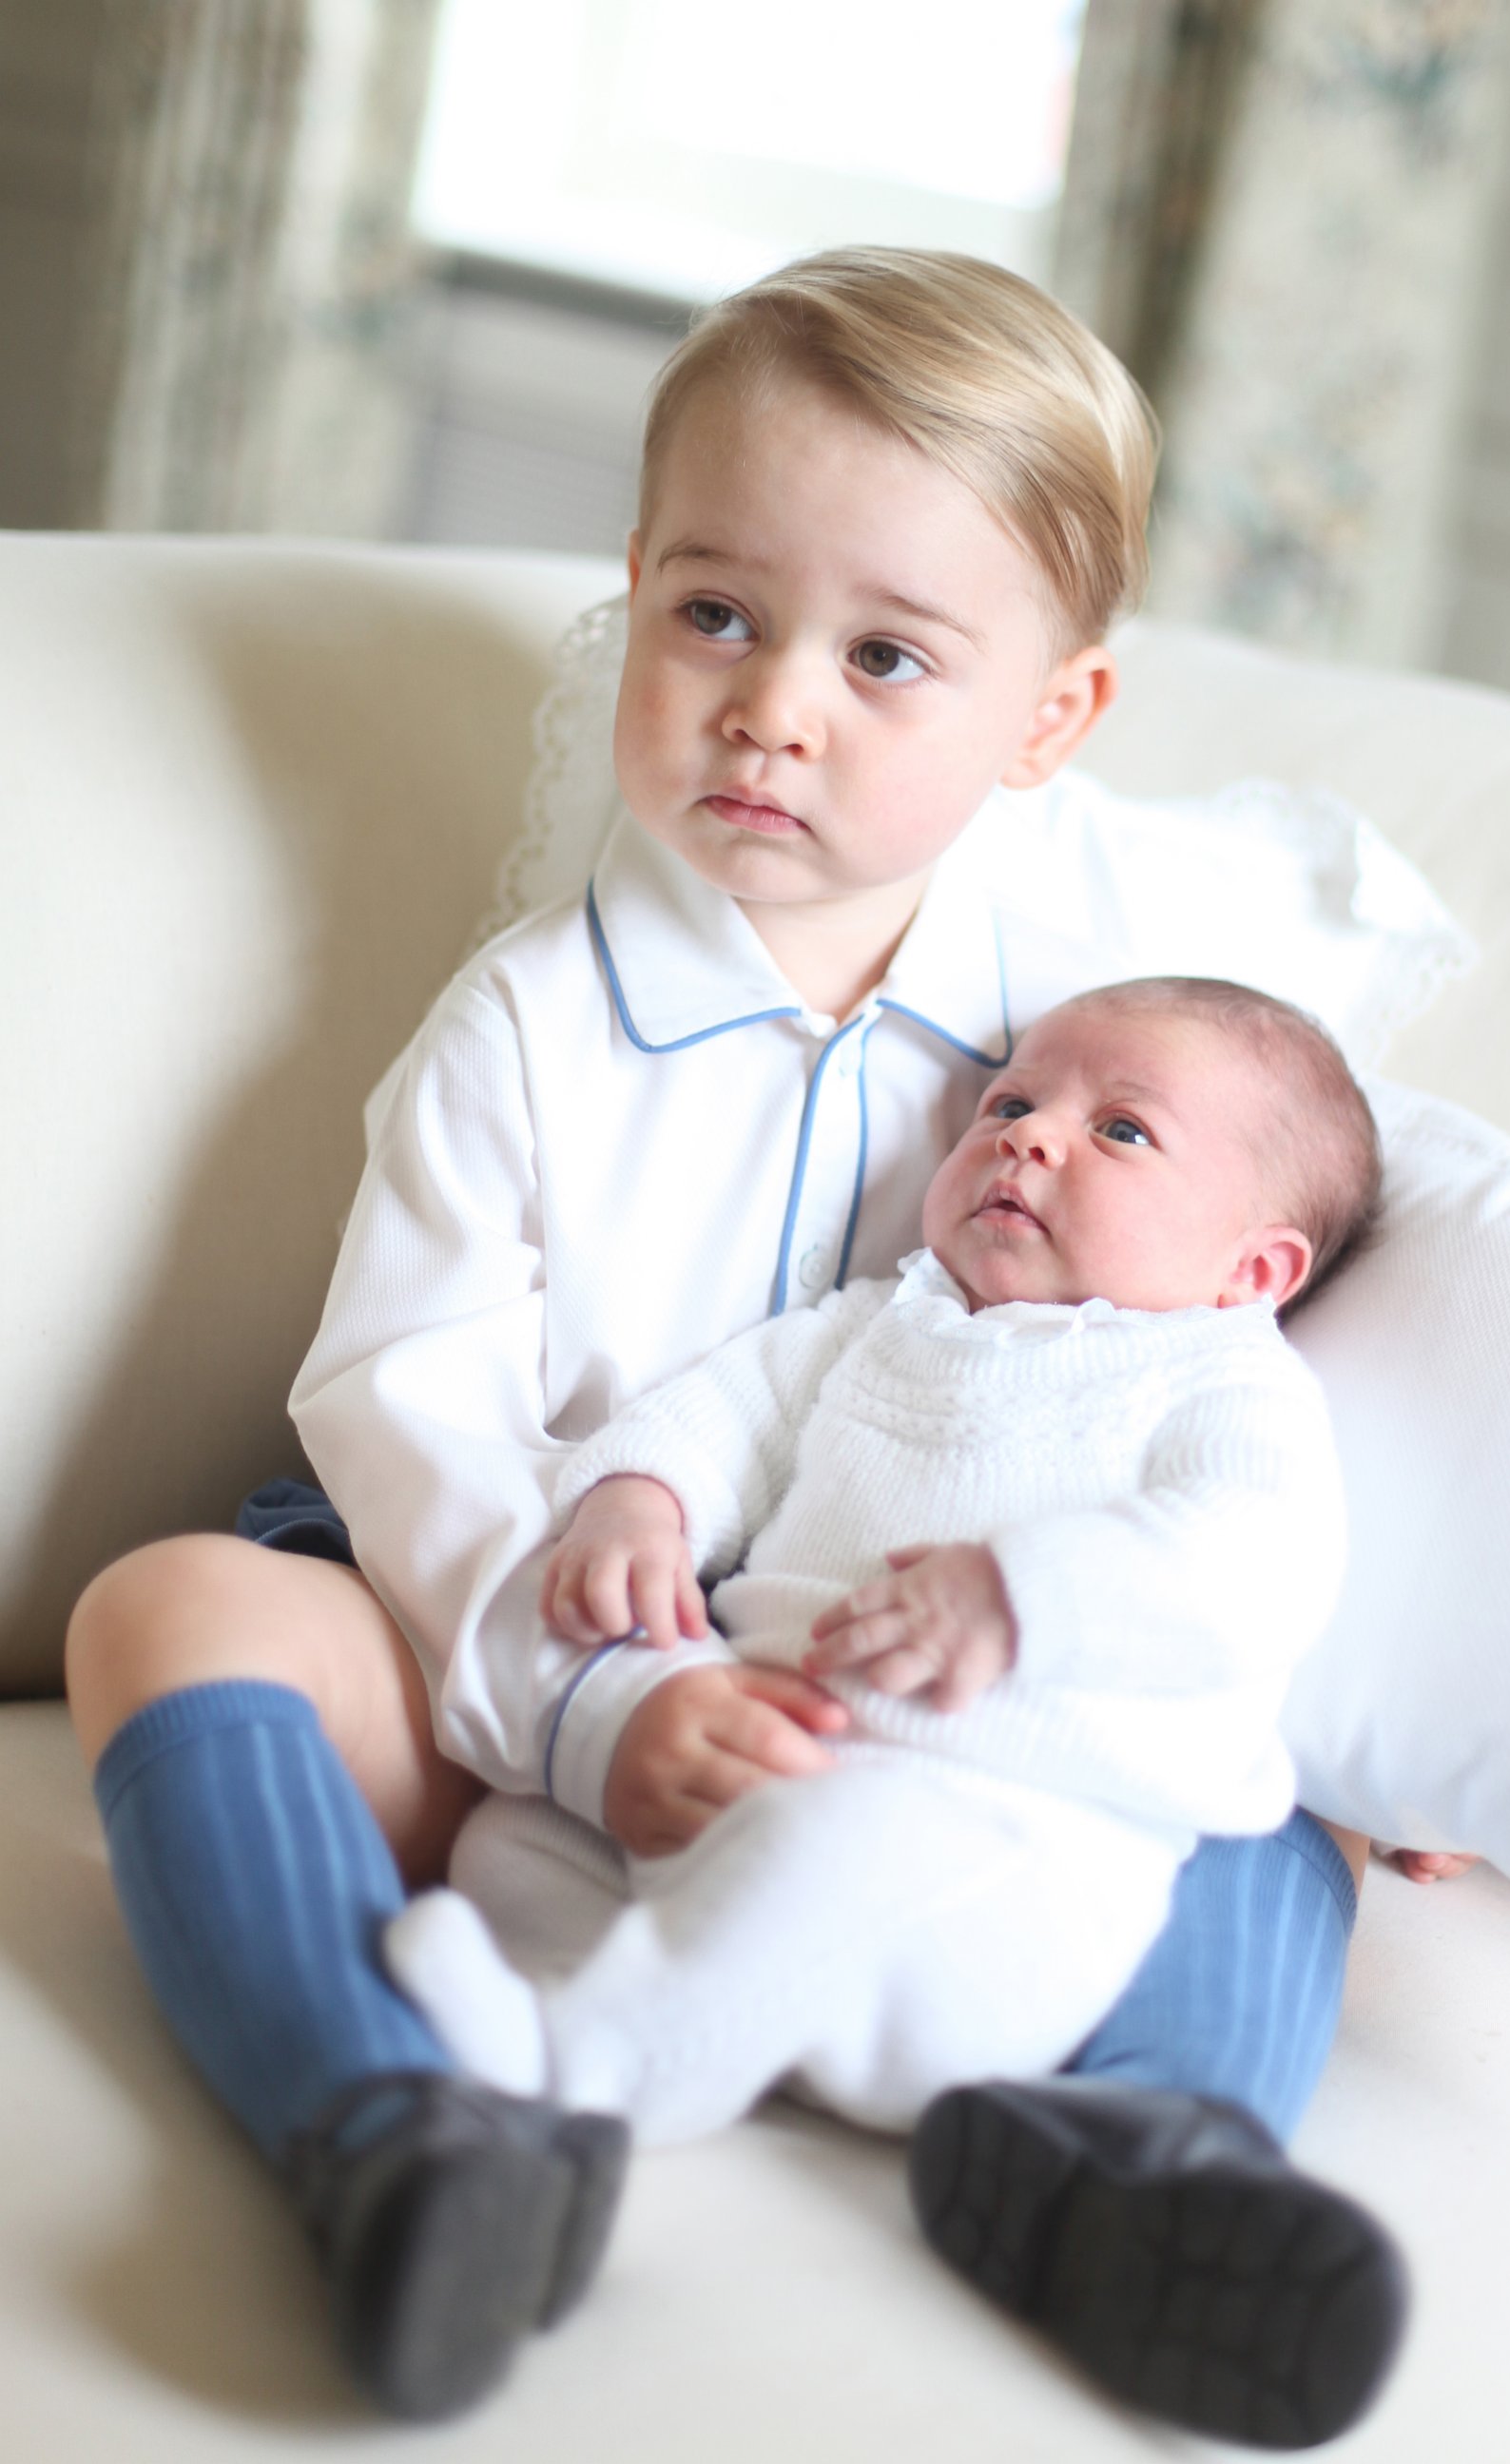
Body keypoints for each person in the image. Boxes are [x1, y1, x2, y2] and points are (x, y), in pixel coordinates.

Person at [66, 248, 1400, 2437]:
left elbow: (1292, 1292)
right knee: (173, 1609)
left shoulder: (1098, 1030)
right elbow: (404, 1404)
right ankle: (394, 2123)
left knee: (1278, 1804)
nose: (772, 702)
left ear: (1046, 721)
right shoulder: (528, 1025)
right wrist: (601, 1700)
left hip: (938, 1697)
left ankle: (1141, 2154)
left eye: (885, 655)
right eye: (712, 615)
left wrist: (1391, 1690)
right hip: (518, 1646)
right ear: (635, 596)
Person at [384, 979, 1374, 2182]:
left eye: (1122, 1130)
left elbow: (1251, 1563)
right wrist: (637, 1501)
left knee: (834, 1854)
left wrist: (1018, 1597)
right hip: (749, 1775)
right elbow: (725, 1415)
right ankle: (579, 1992)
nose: (1027, 1135)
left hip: (987, 1854)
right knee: (521, 1837)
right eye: (1010, 1101)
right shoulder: (878, 1320)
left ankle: (570, 2083)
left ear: (1253, 1270)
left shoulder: (1220, 1383)